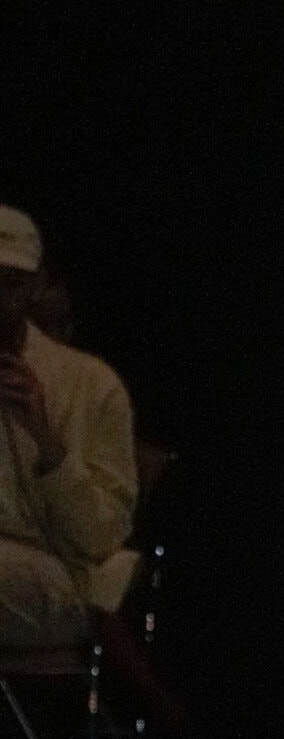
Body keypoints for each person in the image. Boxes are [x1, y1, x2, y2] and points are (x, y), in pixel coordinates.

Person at [0, 206, 139, 653]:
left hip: (61, 575)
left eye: (9, 283)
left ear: (33, 286)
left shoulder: (90, 384)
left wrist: (45, 437)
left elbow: (101, 538)